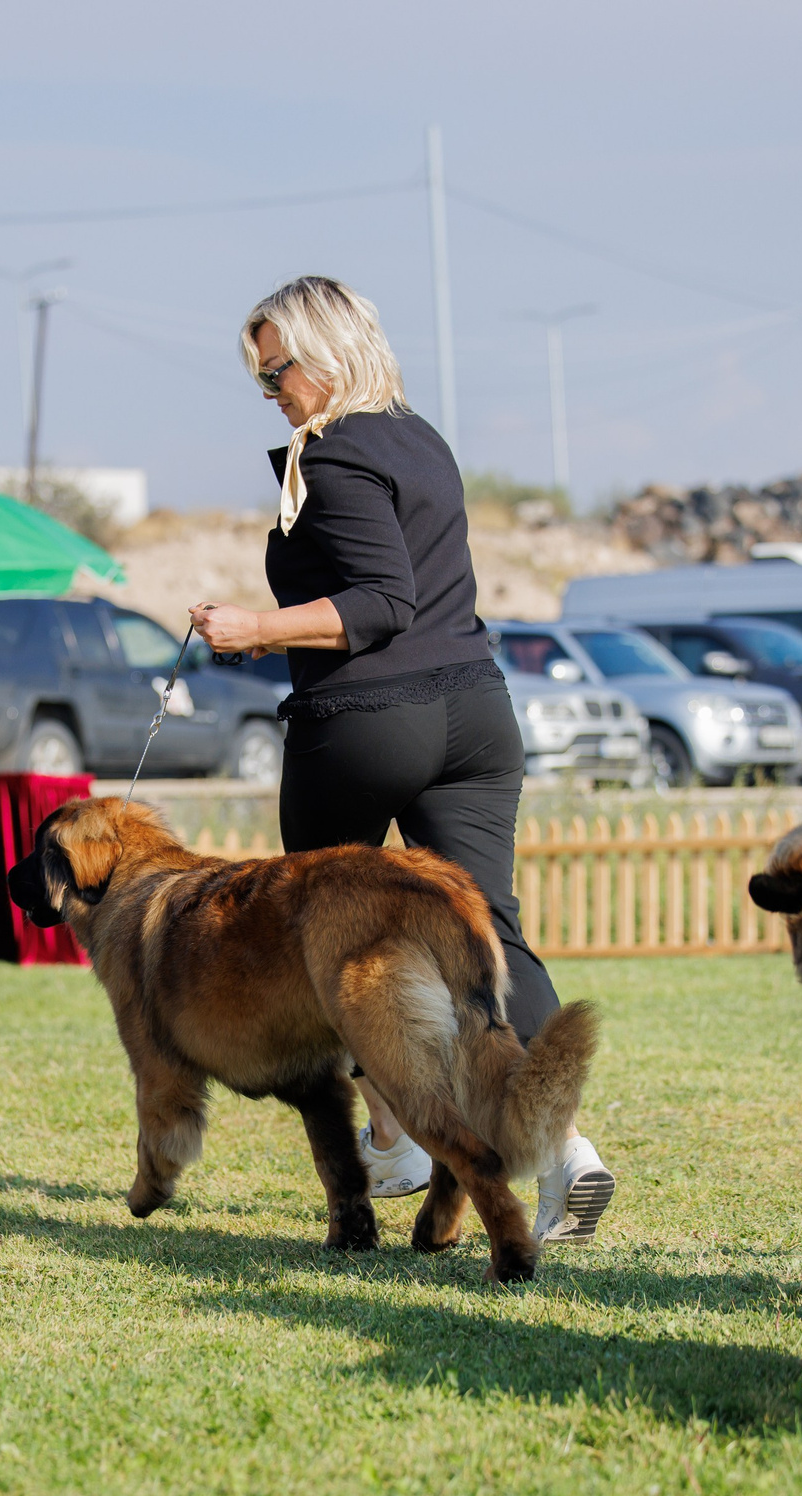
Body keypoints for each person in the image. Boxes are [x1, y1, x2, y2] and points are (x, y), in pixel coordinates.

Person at [189, 274, 618, 1246]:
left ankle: (392, 1142)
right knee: (491, 932)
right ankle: (563, 1155)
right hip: (475, 710)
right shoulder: (420, 439)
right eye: (261, 380)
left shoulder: (335, 453)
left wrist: (256, 628)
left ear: (328, 351)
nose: (271, 394)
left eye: (277, 372)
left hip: (367, 719)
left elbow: (381, 601)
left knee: (324, 946)